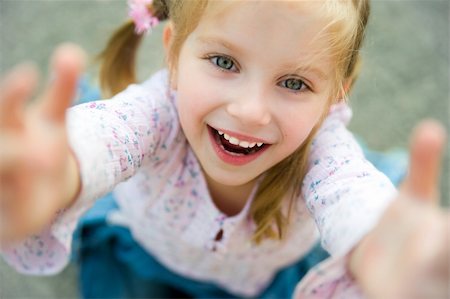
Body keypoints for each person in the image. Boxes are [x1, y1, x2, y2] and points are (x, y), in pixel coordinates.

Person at [0, 0, 447, 298]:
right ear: (173, 55)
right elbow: (108, 136)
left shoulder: (324, 153)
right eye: (224, 62)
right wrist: (62, 171)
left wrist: (377, 245)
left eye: (294, 83)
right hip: (144, 252)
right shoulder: (156, 111)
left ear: (335, 97)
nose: (250, 111)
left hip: (261, 279)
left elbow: (349, 192)